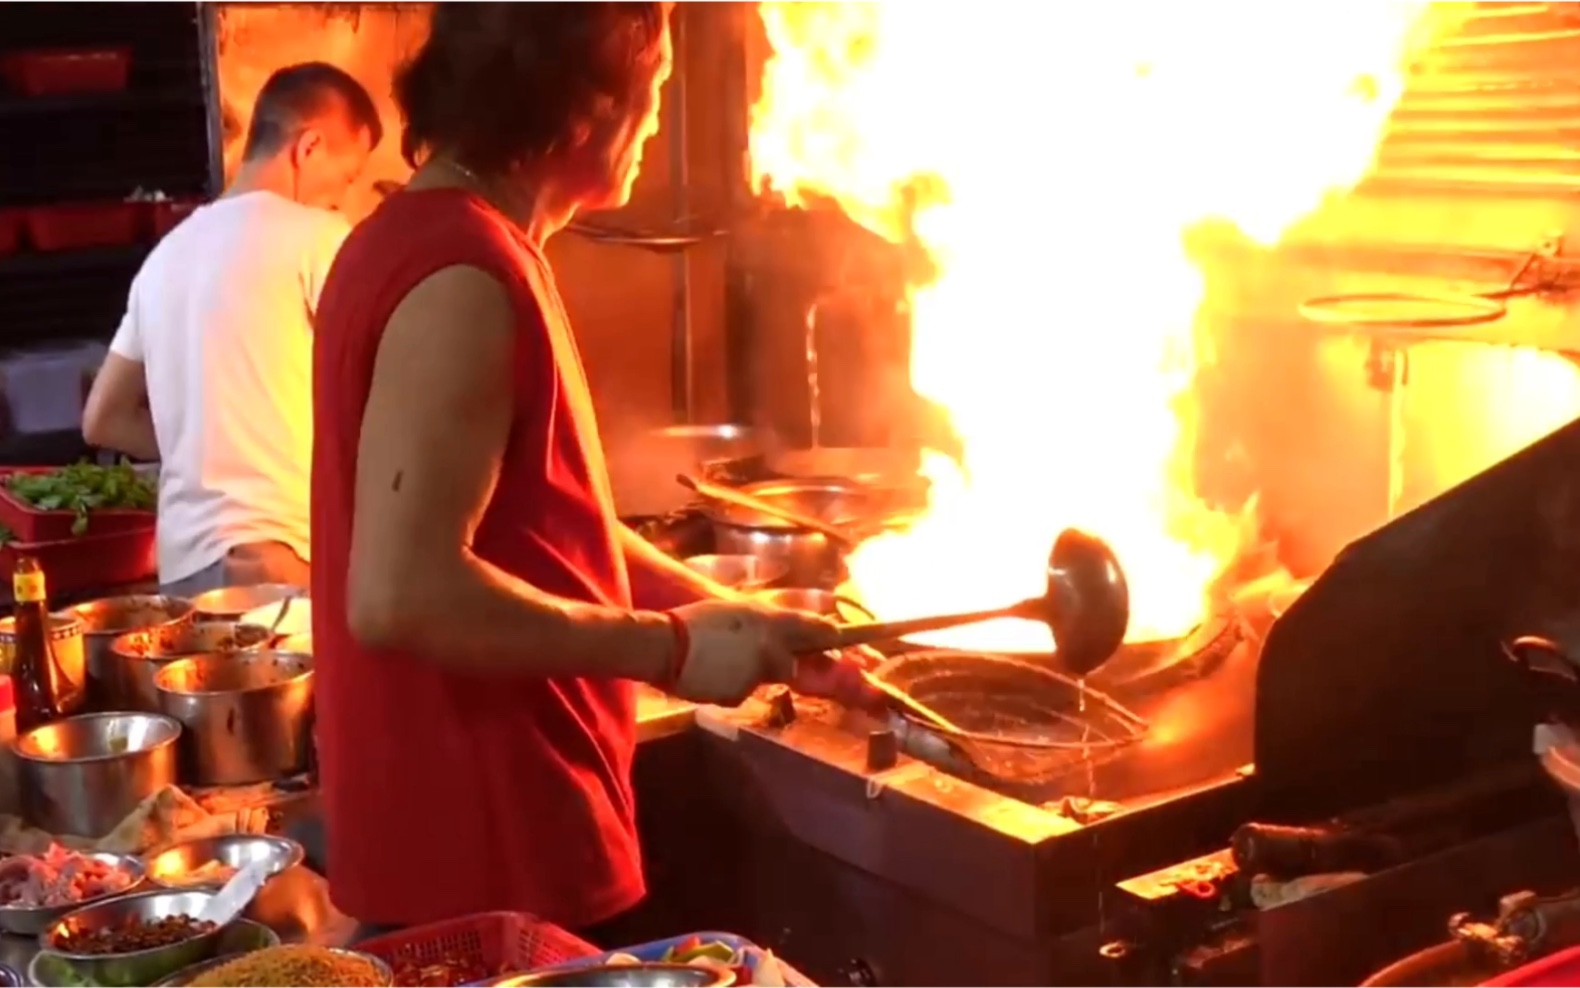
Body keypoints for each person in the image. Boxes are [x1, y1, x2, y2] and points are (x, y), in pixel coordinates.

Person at [310, 3, 865, 940]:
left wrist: (743, 618)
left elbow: (541, 531)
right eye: (651, 94)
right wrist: (672, 649)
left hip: (478, 844)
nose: (654, 124)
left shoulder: (447, 243)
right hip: (488, 857)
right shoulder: (465, 276)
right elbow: (401, 593)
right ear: (576, 104)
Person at [82, 62, 381, 596]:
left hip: (182, 569)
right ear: (308, 147)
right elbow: (386, 385)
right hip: (276, 559)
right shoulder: (319, 237)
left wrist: (203, 446)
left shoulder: (164, 258)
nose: (344, 196)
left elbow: (103, 419)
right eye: (349, 175)